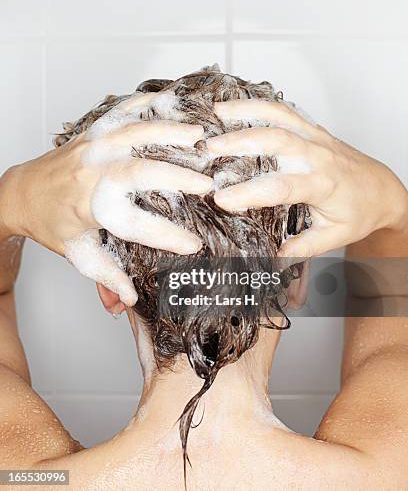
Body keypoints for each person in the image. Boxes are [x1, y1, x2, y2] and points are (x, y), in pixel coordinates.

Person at [0, 66, 407, 490]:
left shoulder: (23, 478)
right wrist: (392, 204)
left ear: (109, 284)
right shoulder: (385, 471)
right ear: (296, 281)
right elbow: (397, 301)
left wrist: (11, 196)